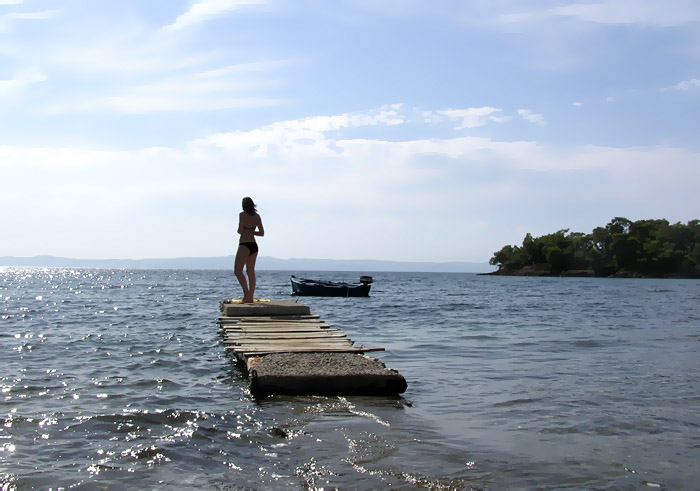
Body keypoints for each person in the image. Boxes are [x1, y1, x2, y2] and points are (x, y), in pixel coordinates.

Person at [235, 197, 264, 303]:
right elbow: (261, 233)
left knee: (238, 271)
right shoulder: (257, 217)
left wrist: (244, 229)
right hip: (254, 246)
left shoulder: (242, 215)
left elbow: (240, 231)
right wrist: (252, 232)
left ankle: (246, 295)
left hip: (244, 244)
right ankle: (250, 297)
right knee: (250, 272)